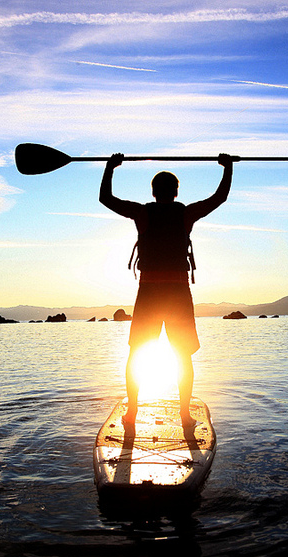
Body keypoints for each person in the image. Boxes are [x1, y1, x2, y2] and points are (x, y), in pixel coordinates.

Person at [99, 153, 233, 429]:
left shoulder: (142, 212)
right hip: (177, 295)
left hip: (148, 293)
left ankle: (132, 412)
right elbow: (219, 198)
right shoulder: (186, 213)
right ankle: (184, 415)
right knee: (182, 355)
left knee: (137, 353)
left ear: (153, 192)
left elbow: (106, 199)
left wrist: (110, 168)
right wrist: (228, 168)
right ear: (175, 192)